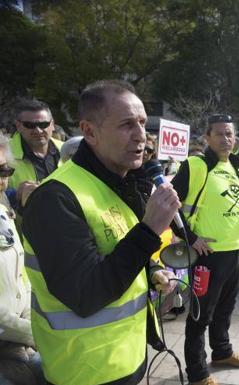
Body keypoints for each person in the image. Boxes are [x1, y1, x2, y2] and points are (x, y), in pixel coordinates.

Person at [22, 80, 178, 385]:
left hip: (127, 359)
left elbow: (115, 249)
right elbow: (86, 293)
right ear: (89, 131)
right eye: (126, 125)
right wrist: (148, 230)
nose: (141, 136)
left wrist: (153, 268)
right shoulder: (56, 197)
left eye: (143, 123)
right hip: (85, 371)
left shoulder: (120, 182)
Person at [171, 114, 239, 385]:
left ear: (235, 138)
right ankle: (196, 373)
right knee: (200, 315)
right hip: (207, 255)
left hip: (234, 250)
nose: (225, 139)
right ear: (207, 137)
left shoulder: (236, 167)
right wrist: (190, 237)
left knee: (225, 308)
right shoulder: (195, 165)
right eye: (219, 134)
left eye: (229, 134)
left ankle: (222, 352)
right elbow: (169, 205)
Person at [0, 133, 44, 385]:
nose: (2, 180)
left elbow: (20, 278)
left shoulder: (4, 212)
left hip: (22, 345)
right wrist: (35, 333)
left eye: (4, 171)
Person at [9, 100, 64, 210]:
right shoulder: (3, 155)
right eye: (30, 125)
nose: (38, 130)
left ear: (52, 125)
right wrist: (16, 196)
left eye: (43, 124)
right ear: (18, 126)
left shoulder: (68, 151)